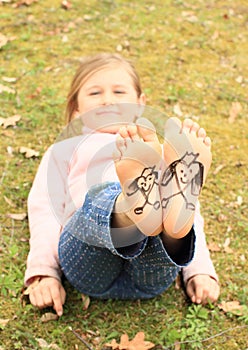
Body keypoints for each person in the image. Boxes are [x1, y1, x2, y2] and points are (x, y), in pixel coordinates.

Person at [25, 53, 220, 317]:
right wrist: (44, 273)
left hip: (151, 272)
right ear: (77, 110)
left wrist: (199, 270)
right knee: (101, 197)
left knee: (171, 206)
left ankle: (159, 224)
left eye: (119, 91)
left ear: (140, 104)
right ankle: (130, 206)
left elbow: (187, 210)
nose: (108, 100)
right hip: (88, 261)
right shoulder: (66, 149)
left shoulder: (159, 152)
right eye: (95, 93)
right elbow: (45, 210)